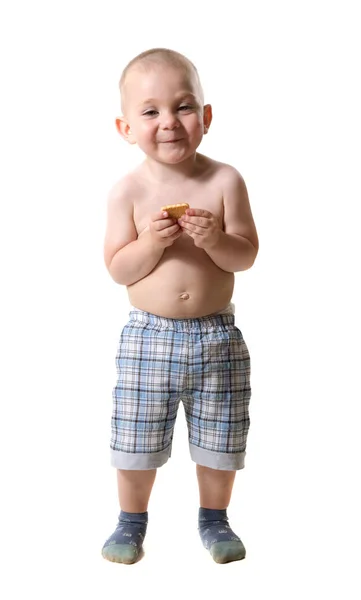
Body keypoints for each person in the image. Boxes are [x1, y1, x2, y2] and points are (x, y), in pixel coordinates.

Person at [102, 48, 259, 565]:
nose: (169, 122)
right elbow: (118, 269)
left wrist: (215, 239)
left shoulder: (225, 181)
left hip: (217, 337)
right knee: (136, 435)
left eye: (184, 106)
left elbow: (247, 254)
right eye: (150, 112)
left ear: (206, 118)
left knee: (221, 434)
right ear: (126, 127)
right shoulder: (127, 191)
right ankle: (131, 522)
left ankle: (215, 520)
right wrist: (149, 243)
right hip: (149, 336)